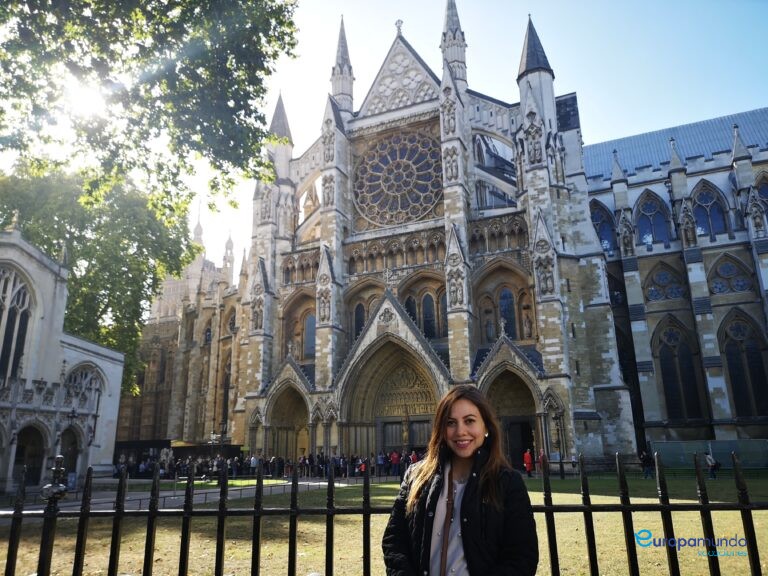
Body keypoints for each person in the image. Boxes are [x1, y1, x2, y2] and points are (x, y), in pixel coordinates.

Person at [382, 384, 538, 576]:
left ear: (486, 427)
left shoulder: (507, 482)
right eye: (450, 423)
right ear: (441, 428)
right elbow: (394, 541)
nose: (460, 431)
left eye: (470, 421)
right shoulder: (416, 476)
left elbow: (521, 556)